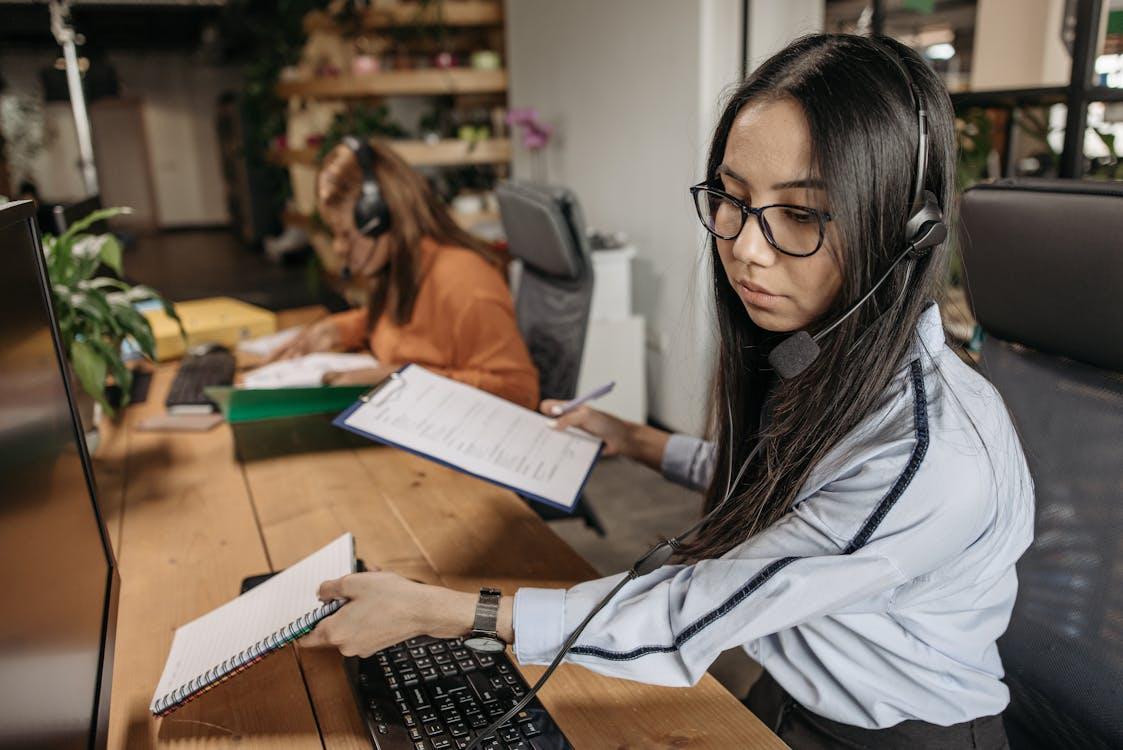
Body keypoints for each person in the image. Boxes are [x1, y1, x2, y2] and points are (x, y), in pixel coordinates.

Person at [303, 35, 1033, 749]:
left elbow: (695, 611)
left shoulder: (927, 457)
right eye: (732, 198)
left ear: (903, 233)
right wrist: (638, 441)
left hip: (894, 734)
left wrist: (447, 612)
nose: (745, 247)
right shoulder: (830, 356)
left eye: (800, 214)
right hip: (792, 687)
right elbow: (786, 491)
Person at [270, 137, 539, 410]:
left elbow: (519, 391)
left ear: (382, 219)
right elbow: (401, 325)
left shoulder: (464, 282)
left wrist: (401, 378)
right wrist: (336, 331)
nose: (339, 248)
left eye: (347, 234)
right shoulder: (403, 270)